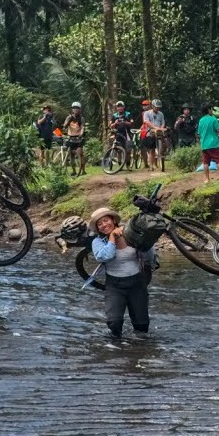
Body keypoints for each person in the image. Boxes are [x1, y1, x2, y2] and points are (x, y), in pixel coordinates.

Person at [90, 207, 153, 339]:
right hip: (114, 285)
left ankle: (139, 351)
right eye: (99, 224)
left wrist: (144, 242)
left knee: (142, 326)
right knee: (114, 323)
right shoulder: (97, 242)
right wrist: (112, 237)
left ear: (113, 220)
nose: (103, 225)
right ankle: (117, 351)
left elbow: (148, 255)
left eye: (106, 221)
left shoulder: (130, 233)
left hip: (137, 283)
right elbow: (104, 257)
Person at [197, 103, 219, 183]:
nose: (212, 111)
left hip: (204, 145)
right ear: (209, 110)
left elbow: (199, 133)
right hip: (213, 144)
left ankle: (207, 179)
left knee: (205, 163)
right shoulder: (213, 119)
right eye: (211, 109)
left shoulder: (201, 120)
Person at [63, 101, 87, 175]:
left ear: (80, 109)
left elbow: (83, 127)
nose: (76, 110)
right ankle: (74, 171)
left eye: (77, 108)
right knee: (71, 155)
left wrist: (81, 133)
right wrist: (69, 120)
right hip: (71, 137)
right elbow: (65, 126)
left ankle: (83, 170)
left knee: (80, 154)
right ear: (72, 109)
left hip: (78, 138)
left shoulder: (81, 118)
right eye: (74, 108)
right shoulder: (69, 117)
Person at [142, 99, 167, 168]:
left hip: (159, 131)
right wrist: (155, 127)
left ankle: (161, 156)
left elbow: (163, 122)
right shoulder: (147, 113)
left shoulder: (161, 114)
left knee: (165, 143)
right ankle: (151, 165)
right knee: (151, 149)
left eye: (158, 107)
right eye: (156, 107)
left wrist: (161, 128)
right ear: (152, 106)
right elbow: (146, 122)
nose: (157, 108)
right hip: (151, 132)